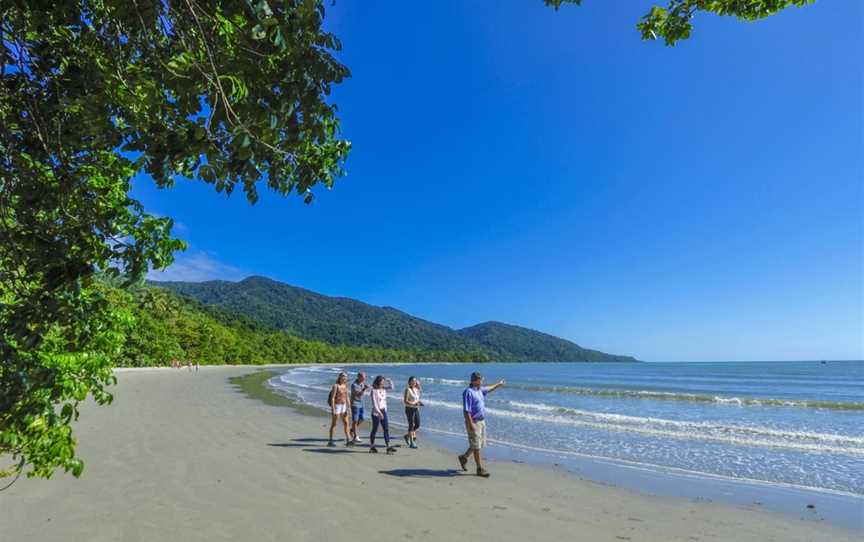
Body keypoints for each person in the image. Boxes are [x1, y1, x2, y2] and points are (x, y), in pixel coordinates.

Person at [458, 371, 505, 477]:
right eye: (481, 380)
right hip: (474, 421)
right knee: (477, 446)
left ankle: (464, 457)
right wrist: (471, 424)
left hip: (481, 421)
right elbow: (466, 410)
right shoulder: (468, 392)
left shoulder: (480, 390)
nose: (483, 381)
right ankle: (479, 468)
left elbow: (490, 388)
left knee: (477, 444)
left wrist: (499, 384)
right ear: (475, 380)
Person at [369, 375, 396, 455]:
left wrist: (389, 380)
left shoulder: (384, 389)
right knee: (375, 429)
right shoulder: (373, 391)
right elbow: (374, 404)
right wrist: (379, 413)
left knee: (386, 428)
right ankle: (372, 446)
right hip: (376, 412)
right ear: (378, 382)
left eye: (383, 382)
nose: (383, 383)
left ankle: (388, 447)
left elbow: (392, 387)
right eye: (382, 381)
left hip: (383, 411)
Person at [327, 372, 352, 447]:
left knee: (346, 423)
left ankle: (348, 440)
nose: (344, 378)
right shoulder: (335, 386)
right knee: (334, 424)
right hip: (337, 406)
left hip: (344, 406)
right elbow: (332, 398)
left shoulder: (345, 386)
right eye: (343, 377)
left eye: (345, 377)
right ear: (340, 377)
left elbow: (347, 397)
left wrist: (349, 407)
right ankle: (330, 441)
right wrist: (333, 408)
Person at [403, 376, 423, 448]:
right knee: (411, 425)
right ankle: (412, 443)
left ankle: (407, 436)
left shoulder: (416, 389)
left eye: (415, 381)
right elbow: (405, 401)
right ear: (409, 382)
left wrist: (419, 403)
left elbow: (417, 399)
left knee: (417, 424)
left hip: (416, 409)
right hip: (409, 409)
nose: (414, 382)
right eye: (413, 381)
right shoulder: (407, 390)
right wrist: (413, 404)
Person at [350, 372, 369, 444]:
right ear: (358, 377)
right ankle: (355, 435)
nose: (364, 379)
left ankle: (352, 430)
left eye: (365, 377)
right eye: (363, 377)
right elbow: (358, 395)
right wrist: (364, 389)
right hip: (355, 404)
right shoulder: (354, 385)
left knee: (362, 419)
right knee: (355, 420)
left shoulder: (362, 383)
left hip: (361, 404)